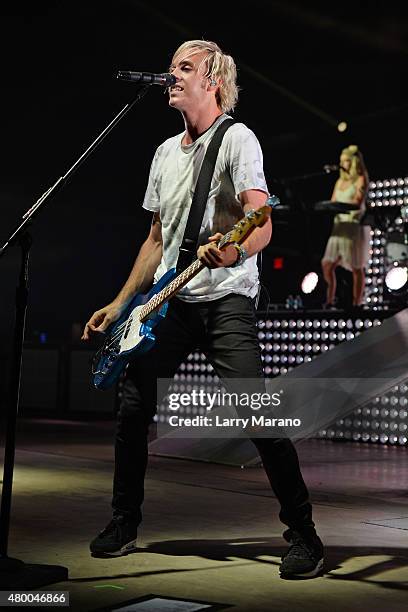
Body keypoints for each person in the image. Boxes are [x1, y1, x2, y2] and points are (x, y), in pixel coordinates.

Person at [82, 39, 324, 578]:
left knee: (258, 416)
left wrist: (233, 250)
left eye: (184, 68)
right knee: (132, 408)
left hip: (225, 299)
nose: (171, 76)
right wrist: (122, 303)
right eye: (170, 68)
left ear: (212, 80)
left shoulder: (238, 138)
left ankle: (305, 534)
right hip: (169, 302)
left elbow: (262, 219)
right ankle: (124, 522)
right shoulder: (165, 153)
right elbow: (154, 239)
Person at [321, 144, 370, 308]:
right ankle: (330, 299)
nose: (343, 164)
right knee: (327, 264)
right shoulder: (340, 181)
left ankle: (357, 302)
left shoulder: (361, 179)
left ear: (354, 162)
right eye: (342, 161)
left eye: (346, 161)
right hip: (339, 226)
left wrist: (340, 205)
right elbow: (333, 201)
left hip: (352, 227)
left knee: (357, 267)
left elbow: (357, 202)